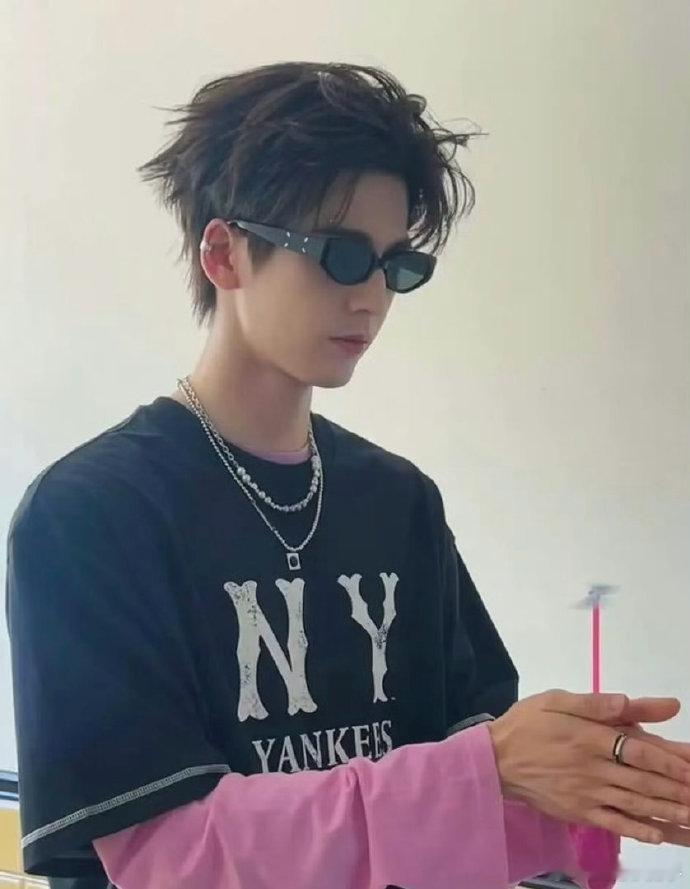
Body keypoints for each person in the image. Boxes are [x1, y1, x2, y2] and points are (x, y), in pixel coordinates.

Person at [6, 61, 690, 889]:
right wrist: (488, 770)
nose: (371, 297)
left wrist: (592, 788)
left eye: (396, 265)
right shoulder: (88, 514)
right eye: (339, 255)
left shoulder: (398, 499)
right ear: (223, 252)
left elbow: (477, 783)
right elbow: (167, 857)